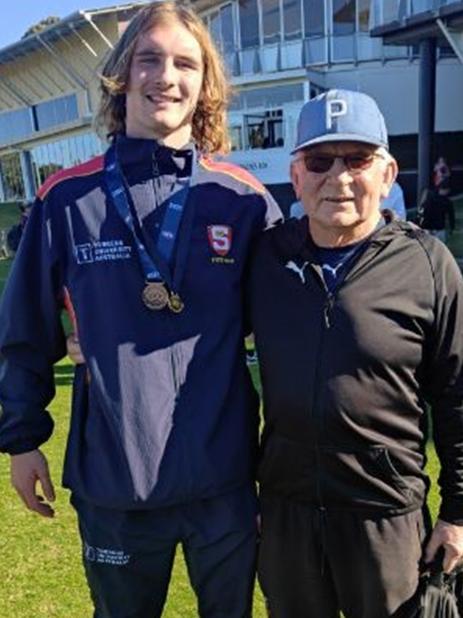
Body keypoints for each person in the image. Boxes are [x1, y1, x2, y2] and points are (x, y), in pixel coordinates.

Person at [0, 3, 280, 617]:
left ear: (205, 84)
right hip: (114, 483)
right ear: (122, 73)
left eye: (186, 63)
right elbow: (23, 333)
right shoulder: (67, 199)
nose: (166, 76)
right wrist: (22, 441)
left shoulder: (242, 200)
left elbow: (294, 321)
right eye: (149, 58)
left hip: (226, 481)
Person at [246, 89, 463, 617]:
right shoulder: (267, 259)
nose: (338, 178)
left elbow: (458, 395)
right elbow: (198, 335)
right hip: (287, 512)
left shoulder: (428, 265)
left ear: (387, 174)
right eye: (319, 161)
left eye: (358, 159)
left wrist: (458, 512)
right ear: (296, 177)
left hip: (384, 516)